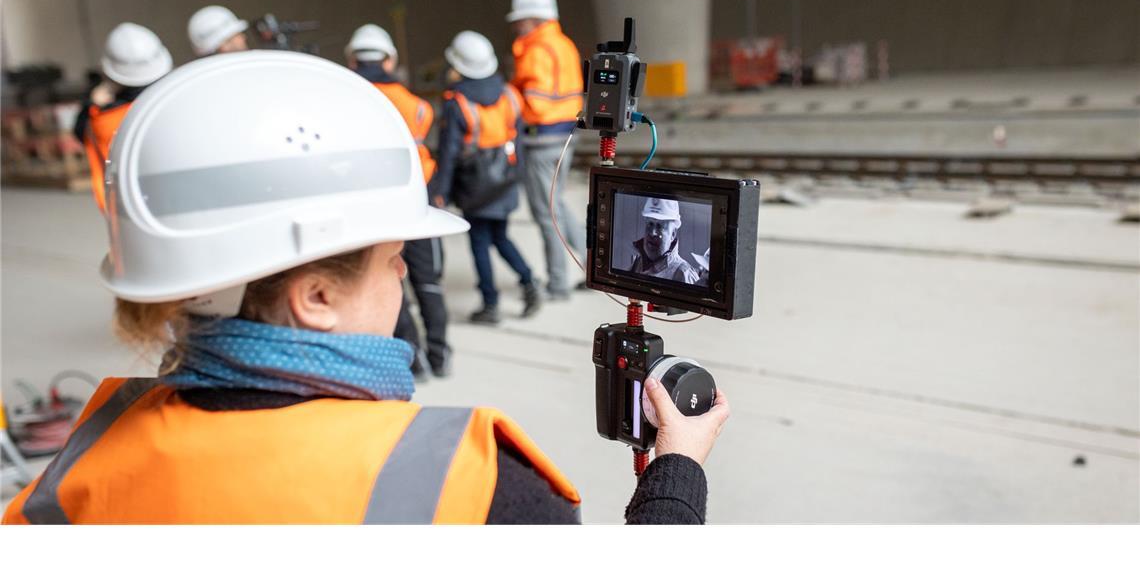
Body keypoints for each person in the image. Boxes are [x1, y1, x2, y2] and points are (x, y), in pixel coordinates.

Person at [2, 51, 729, 524]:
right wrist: (676, 470)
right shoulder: (469, 482)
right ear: (315, 299)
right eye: (392, 258)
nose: (408, 272)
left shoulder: (80, 468)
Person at [346, 24, 449, 379]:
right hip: (418, 197)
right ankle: (440, 354)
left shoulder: (349, 100)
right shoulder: (418, 107)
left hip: (374, 205)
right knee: (429, 281)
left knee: (390, 279)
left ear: (351, 59)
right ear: (389, 59)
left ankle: (414, 358)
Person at [433, 31, 541, 325]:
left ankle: (490, 304)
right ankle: (530, 283)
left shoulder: (457, 102)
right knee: (500, 235)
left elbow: (449, 154)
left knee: (480, 242)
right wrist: (515, 175)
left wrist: (439, 191)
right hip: (505, 177)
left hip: (476, 184)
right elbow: (517, 139)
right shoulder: (509, 94)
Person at [506, 0, 587, 301]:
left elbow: (534, 100)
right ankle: (592, 270)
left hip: (541, 139)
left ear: (532, 19)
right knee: (559, 204)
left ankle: (557, 284)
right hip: (565, 136)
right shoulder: (564, 45)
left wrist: (510, 102)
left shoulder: (536, 50)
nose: (516, 27)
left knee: (546, 212)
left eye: (519, 20)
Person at [73, 23, 172, 213]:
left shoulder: (101, 117)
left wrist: (90, 104)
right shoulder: (171, 102)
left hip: (123, 209)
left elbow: (79, 132)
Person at [630, 198, 700, 284]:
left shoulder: (684, 274)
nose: (652, 233)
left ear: (673, 234)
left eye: (659, 226)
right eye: (650, 224)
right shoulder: (637, 264)